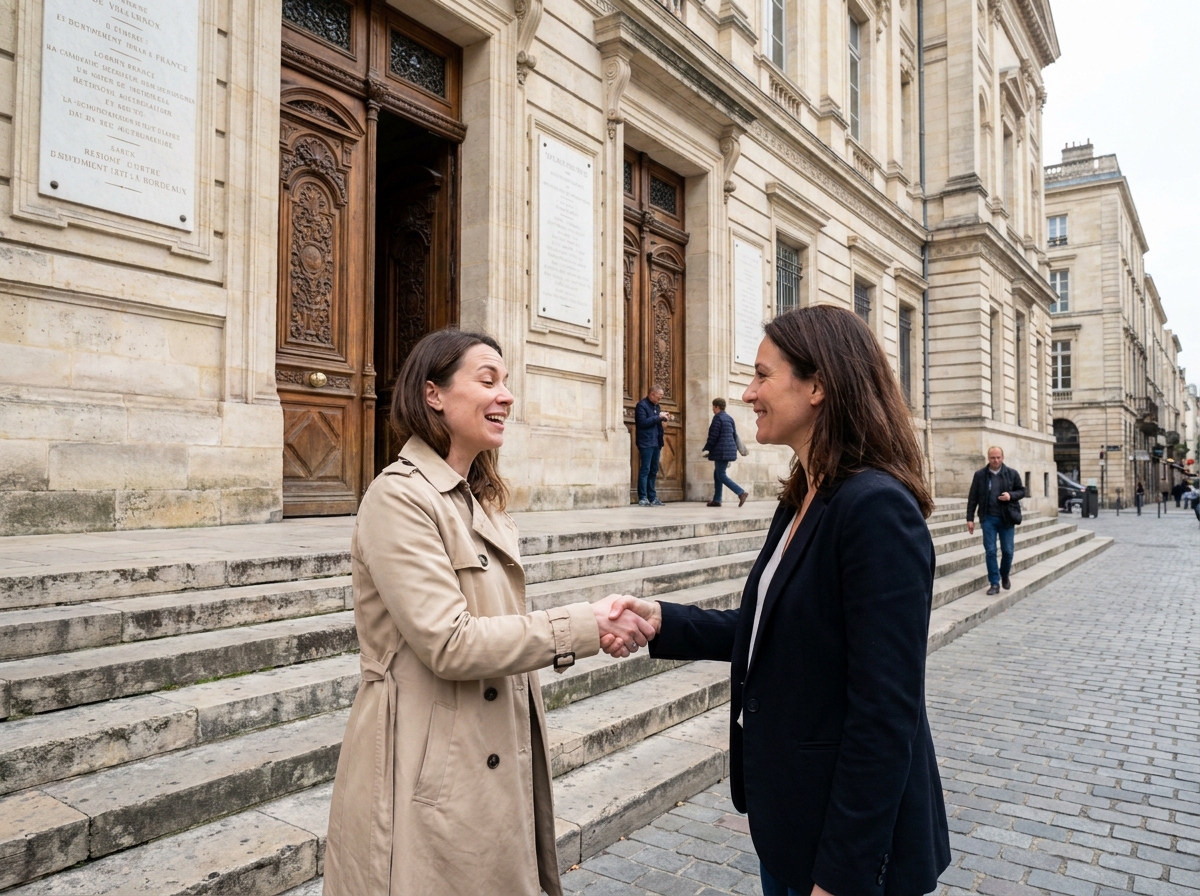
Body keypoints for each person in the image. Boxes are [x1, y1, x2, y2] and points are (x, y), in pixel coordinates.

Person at [604, 306, 950, 896]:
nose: (748, 392)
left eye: (763, 376)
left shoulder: (874, 508)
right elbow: (773, 626)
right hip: (792, 827)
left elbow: (885, 714)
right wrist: (663, 621)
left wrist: (840, 877)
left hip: (846, 857)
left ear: (817, 386)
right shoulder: (804, 493)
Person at [322, 329, 655, 896]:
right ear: (433, 394)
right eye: (487, 380)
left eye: (507, 382)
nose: (506, 395)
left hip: (491, 749)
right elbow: (450, 643)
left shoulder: (482, 499)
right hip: (429, 765)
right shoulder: (399, 497)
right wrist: (586, 625)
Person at [965, 447, 1025, 596]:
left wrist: (1010, 495)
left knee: (1008, 551)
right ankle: (994, 583)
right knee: (990, 551)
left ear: (1003, 457)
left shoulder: (1012, 474)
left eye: (998, 457)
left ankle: (1004, 574)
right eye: (993, 458)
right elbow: (973, 498)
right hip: (988, 518)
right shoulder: (980, 475)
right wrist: (970, 518)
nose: (996, 460)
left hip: (1006, 518)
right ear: (988, 458)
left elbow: (1022, 491)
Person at [703, 397, 748, 508]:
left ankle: (741, 492)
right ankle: (717, 499)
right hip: (728, 449)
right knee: (717, 473)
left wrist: (707, 447)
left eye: (713, 407)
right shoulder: (729, 418)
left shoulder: (718, 418)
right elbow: (734, 435)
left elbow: (713, 436)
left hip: (721, 451)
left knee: (721, 475)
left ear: (717, 407)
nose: (713, 409)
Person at [634, 384, 669, 507]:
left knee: (654, 470)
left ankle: (652, 497)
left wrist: (663, 419)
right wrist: (658, 417)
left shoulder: (657, 406)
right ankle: (643, 497)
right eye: (659, 397)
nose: (660, 399)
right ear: (652, 394)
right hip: (646, 442)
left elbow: (655, 422)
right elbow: (642, 422)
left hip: (656, 442)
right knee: (645, 469)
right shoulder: (641, 405)